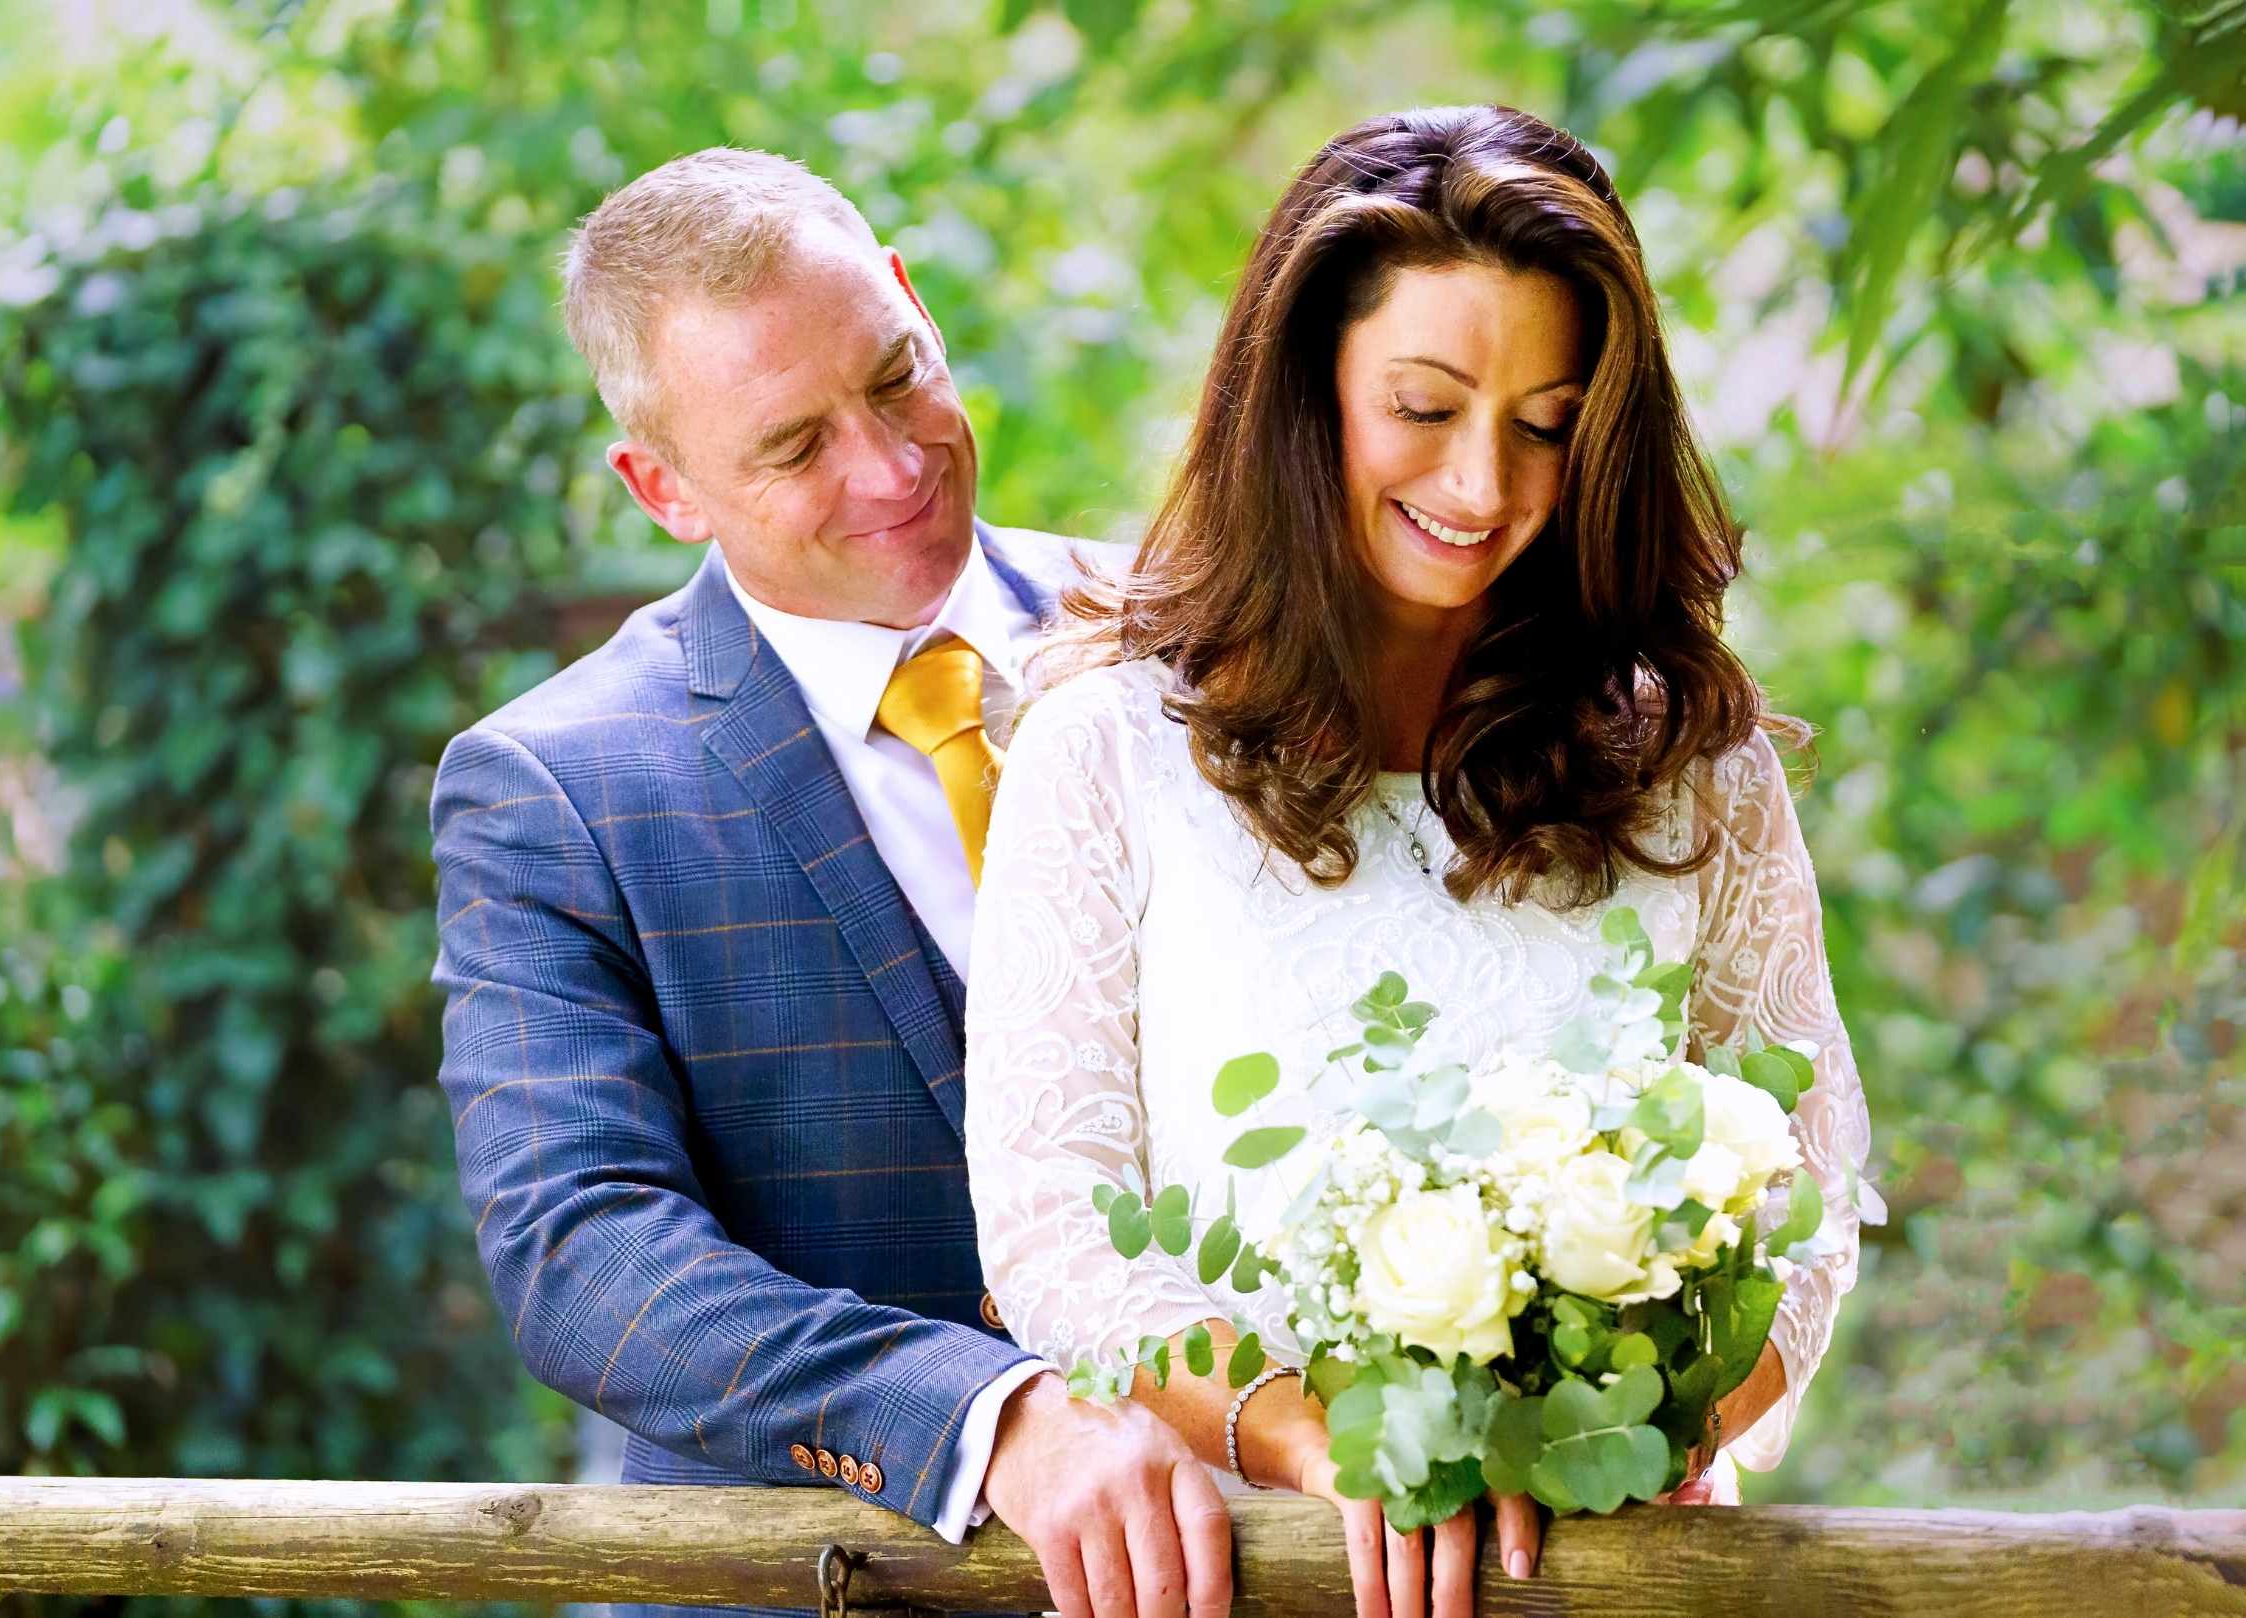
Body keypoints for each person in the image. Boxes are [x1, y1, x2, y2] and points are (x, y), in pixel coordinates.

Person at [963, 104, 1886, 1618]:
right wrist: (1337, 1451)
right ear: (1306, 379)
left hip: (1606, 1571)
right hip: (1250, 1568)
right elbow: (1057, 1226)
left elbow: (1805, 1183)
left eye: (1545, 424)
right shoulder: (1107, 750)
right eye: (1425, 404)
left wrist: (1642, 1435)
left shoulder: (1692, 766)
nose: (1483, 486)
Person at [431, 148, 1232, 1618]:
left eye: (899, 374)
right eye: (795, 446)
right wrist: (988, 1419)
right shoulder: (552, 788)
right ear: (660, 486)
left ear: (915, 302)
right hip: (814, 1590)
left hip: (1260, 1566)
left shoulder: (1207, 642)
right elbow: (582, 1247)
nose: (891, 464)